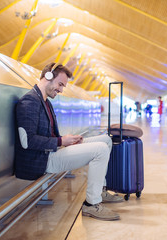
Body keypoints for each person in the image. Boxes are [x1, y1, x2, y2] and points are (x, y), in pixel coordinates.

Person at [14, 63, 123, 221]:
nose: (61, 90)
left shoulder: (45, 102)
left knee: (105, 140)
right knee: (100, 149)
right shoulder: (29, 102)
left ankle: (100, 190)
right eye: (60, 84)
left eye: (63, 86)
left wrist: (67, 140)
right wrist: (61, 141)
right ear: (48, 77)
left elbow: (48, 135)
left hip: (53, 151)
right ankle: (92, 204)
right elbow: (27, 141)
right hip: (42, 160)